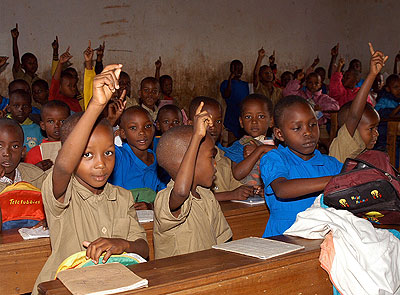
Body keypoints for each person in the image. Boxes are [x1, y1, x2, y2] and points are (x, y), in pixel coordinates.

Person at [32, 64, 148, 294]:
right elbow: (64, 166)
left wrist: (122, 244)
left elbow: (143, 248)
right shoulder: (63, 193)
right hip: (62, 288)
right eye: (86, 154)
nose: (100, 164)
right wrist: (96, 105)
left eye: (108, 153)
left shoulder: (122, 197)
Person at [153, 105, 232, 259]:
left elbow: (224, 241)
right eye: (211, 157)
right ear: (188, 162)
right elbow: (181, 191)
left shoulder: (207, 197)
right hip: (179, 280)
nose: (215, 164)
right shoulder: (165, 199)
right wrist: (196, 136)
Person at [260, 95, 342, 237]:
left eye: (312, 125)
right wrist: (336, 180)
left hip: (323, 238)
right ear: (280, 134)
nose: (308, 133)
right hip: (284, 239)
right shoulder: (275, 159)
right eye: (297, 128)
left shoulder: (331, 164)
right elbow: (282, 189)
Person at [329, 43, 386, 163]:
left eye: (376, 128)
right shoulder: (346, 144)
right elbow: (354, 116)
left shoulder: (364, 150)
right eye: (371, 129)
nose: (377, 133)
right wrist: (372, 74)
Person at [188, 96, 250, 201]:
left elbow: (237, 189)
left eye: (218, 121)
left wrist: (249, 191)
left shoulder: (226, 157)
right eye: (206, 121)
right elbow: (189, 198)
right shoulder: (187, 159)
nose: (213, 126)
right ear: (190, 124)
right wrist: (229, 195)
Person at [108, 106, 164, 210]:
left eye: (147, 126)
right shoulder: (119, 157)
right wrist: (109, 123)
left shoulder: (160, 161)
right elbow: (99, 146)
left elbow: (166, 198)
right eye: (133, 128)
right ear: (123, 133)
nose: (142, 132)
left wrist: (151, 206)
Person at [0, 118, 47, 230]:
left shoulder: (36, 176)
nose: (6, 153)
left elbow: (56, 206)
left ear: (23, 152)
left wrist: (49, 219)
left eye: (15, 146)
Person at [221, 94, 275, 187]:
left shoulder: (277, 143)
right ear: (241, 122)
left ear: (271, 121)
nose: (254, 121)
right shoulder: (239, 146)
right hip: (249, 198)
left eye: (261, 116)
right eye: (248, 117)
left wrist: (261, 148)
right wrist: (258, 151)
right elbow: (238, 174)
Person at [25, 100, 71, 170]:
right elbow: (28, 176)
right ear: (43, 125)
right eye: (51, 121)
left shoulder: (76, 148)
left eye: (62, 121)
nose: (57, 125)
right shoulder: (35, 153)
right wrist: (36, 169)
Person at [220, 59, 249, 140]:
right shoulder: (225, 83)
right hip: (231, 116)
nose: (238, 71)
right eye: (235, 68)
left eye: (240, 69)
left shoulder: (245, 85)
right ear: (231, 70)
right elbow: (226, 94)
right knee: (230, 140)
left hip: (242, 115)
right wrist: (230, 79)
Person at [49, 47, 81, 112]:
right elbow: (55, 81)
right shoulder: (57, 99)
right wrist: (60, 63)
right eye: (69, 86)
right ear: (60, 88)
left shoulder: (75, 102)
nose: (73, 88)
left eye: (74, 85)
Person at [374, 74, 400, 150]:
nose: (399, 89)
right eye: (396, 87)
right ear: (388, 89)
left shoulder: (397, 100)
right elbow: (390, 116)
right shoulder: (384, 100)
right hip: (384, 134)